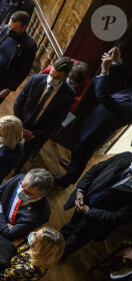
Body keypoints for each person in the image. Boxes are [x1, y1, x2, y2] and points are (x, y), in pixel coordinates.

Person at [54, 47, 132, 189]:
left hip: (98, 130)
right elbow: (128, 77)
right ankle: (72, 166)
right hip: (95, 118)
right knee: (77, 147)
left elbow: (103, 97)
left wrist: (104, 71)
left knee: (82, 153)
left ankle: (67, 180)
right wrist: (118, 61)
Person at [60, 152, 132, 261]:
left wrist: (89, 212)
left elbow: (119, 216)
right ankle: (54, 243)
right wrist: (80, 190)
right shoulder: (126, 156)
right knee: (71, 225)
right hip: (86, 201)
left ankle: (62, 255)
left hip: (98, 221)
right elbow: (95, 170)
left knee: (78, 240)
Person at [13, 57, 75, 172]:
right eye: (51, 74)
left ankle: (17, 168)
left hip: (38, 132)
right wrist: (21, 127)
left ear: (66, 77)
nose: (51, 79)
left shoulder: (69, 94)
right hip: (20, 123)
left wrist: (34, 133)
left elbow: (57, 120)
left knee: (24, 155)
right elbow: (18, 103)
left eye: (56, 78)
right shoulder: (36, 79)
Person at [0, 11, 37, 117]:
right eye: (10, 26)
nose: (10, 30)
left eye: (14, 29)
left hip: (3, 84)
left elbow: (24, 71)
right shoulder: (5, 28)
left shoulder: (30, 45)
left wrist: (9, 89)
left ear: (24, 28)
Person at [0, 167, 53, 241]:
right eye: (21, 185)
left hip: (0, 240)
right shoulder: (20, 178)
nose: (20, 192)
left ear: (40, 195)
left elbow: (8, 234)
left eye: (27, 192)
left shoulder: (41, 214)